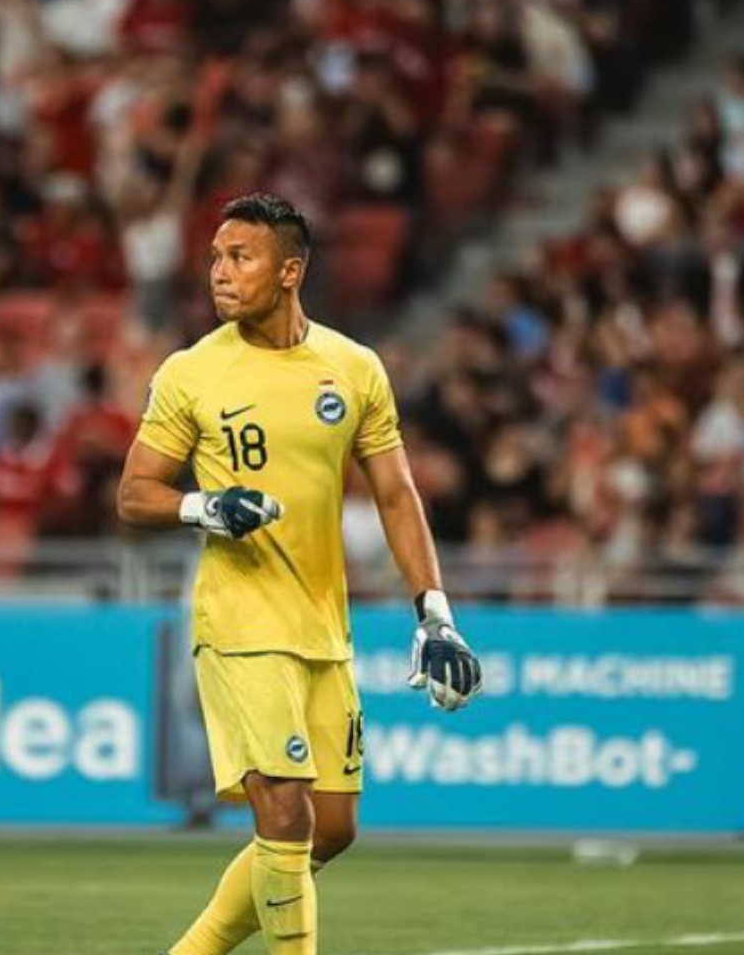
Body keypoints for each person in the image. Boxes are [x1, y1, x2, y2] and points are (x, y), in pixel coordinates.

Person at [118, 194, 483, 955]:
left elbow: (395, 492)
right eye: (215, 257)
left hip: (324, 628)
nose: (220, 272)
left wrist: (435, 613)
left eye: (239, 257)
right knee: (283, 814)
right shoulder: (192, 372)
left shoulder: (353, 369)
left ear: (290, 271)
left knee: (331, 829)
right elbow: (135, 492)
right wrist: (205, 506)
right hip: (240, 621)